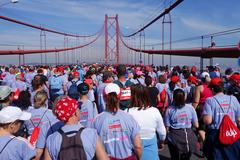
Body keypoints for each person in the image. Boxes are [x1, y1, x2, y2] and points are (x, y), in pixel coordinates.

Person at [44, 97, 108, 160]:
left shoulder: (51, 140)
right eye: (78, 108)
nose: (80, 110)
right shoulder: (91, 134)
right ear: (75, 113)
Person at [91, 83, 142, 159]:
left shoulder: (96, 120)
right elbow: (138, 146)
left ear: (104, 98)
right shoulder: (129, 117)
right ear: (120, 97)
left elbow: (93, 147)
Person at [202, 77, 240, 159]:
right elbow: (239, 119)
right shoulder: (233, 98)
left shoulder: (210, 100)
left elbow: (208, 121)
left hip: (216, 135)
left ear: (212, 89)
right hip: (232, 134)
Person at [127, 84, 166, 160]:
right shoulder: (154, 111)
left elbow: (124, 131)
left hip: (132, 150)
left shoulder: (126, 113)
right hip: (151, 151)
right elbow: (162, 133)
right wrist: (161, 142)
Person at [165, 89, 199, 160]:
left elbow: (167, 127)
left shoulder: (169, 109)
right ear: (184, 97)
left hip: (174, 137)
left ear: (173, 98)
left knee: (174, 157)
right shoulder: (190, 107)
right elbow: (196, 125)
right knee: (186, 157)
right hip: (188, 136)